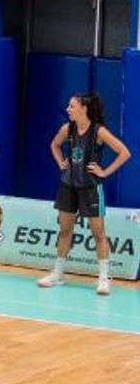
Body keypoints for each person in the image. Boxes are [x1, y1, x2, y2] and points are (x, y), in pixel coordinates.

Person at [38, 93, 131, 295]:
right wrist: (60, 161)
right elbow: (54, 145)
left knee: (98, 233)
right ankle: (58, 273)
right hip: (68, 185)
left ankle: (104, 279)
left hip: (90, 187)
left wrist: (104, 172)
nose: (68, 109)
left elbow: (124, 152)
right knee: (64, 231)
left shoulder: (99, 131)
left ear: (83, 108)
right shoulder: (67, 128)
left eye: (71, 106)